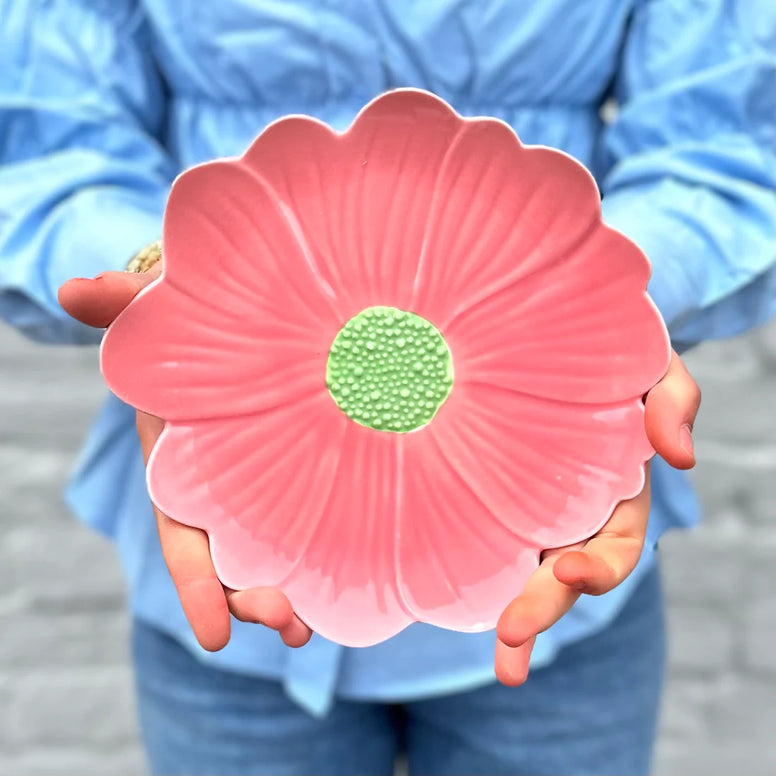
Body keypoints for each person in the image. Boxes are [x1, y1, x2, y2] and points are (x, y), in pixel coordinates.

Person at [0, 1, 772, 774]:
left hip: (552, 541)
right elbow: (49, 137)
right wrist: (167, 279)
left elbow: (718, 137)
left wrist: (597, 297)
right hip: (229, 527)